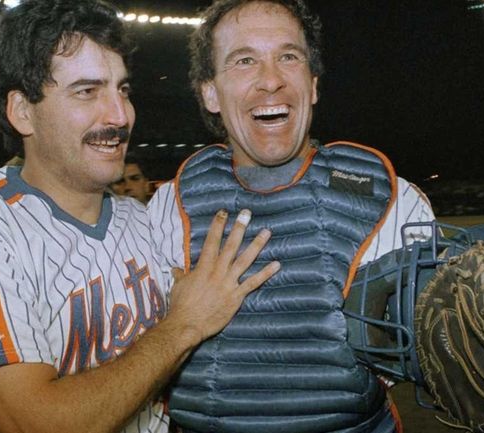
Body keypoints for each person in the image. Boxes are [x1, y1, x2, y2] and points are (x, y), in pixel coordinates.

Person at [0, 2, 278, 433]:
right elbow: (34, 424)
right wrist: (184, 326)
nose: (120, 115)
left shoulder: (145, 220)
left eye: (122, 89)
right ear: (22, 111)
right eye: (87, 91)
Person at [147, 1, 434, 432]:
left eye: (288, 57)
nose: (270, 81)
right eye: (245, 60)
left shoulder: (394, 201)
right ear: (210, 92)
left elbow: (447, 350)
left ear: (313, 84)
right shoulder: (169, 210)